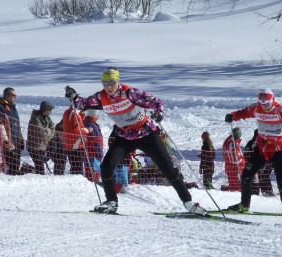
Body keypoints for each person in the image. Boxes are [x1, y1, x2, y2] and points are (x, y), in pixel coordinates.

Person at [65, 67, 205, 215]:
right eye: (105, 83)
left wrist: (159, 113)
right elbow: (81, 104)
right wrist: (73, 96)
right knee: (106, 166)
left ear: (118, 81)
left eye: (112, 82)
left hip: (146, 134)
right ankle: (112, 202)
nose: (108, 87)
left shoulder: (130, 93)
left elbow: (157, 102)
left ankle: (188, 203)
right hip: (124, 137)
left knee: (168, 169)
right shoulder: (101, 97)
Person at [224, 88, 282, 226]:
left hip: (279, 149)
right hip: (262, 149)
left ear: (272, 100)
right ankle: (244, 205)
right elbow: (243, 112)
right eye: (262, 103)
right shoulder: (256, 108)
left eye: (267, 103)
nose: (264, 106)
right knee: (246, 175)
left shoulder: (280, 110)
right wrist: (232, 115)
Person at [0, 87, 25, 175]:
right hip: (9, 142)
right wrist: (6, 141)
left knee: (16, 165)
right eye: (13, 95)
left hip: (17, 141)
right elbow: (0, 126)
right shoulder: (0, 108)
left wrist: (21, 138)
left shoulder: (13, 108)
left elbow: (17, 125)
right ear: (7, 96)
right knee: (13, 166)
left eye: (16, 96)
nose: (15, 97)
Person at [62, 102, 93, 175]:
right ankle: (77, 181)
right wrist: (87, 130)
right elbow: (76, 130)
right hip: (76, 144)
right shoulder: (74, 114)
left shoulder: (68, 112)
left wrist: (81, 115)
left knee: (75, 166)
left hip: (70, 143)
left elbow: (74, 124)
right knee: (77, 168)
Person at [27, 101, 56, 175]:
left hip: (43, 146)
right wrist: (49, 131)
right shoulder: (35, 118)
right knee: (40, 167)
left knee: (40, 165)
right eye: (50, 110)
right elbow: (42, 134)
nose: (51, 111)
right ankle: (39, 180)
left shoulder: (47, 118)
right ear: (45, 109)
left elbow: (53, 129)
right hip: (34, 147)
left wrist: (48, 131)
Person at [82, 109, 104, 182]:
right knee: (95, 175)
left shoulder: (84, 122)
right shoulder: (93, 125)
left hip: (86, 153)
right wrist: (100, 154)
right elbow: (96, 141)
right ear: (96, 116)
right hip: (94, 154)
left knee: (88, 172)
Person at [221, 127, 245, 192]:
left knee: (233, 185)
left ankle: (229, 191)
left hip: (230, 167)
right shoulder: (234, 144)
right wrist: (244, 163)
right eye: (240, 134)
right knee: (239, 187)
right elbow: (237, 159)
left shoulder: (228, 142)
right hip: (237, 168)